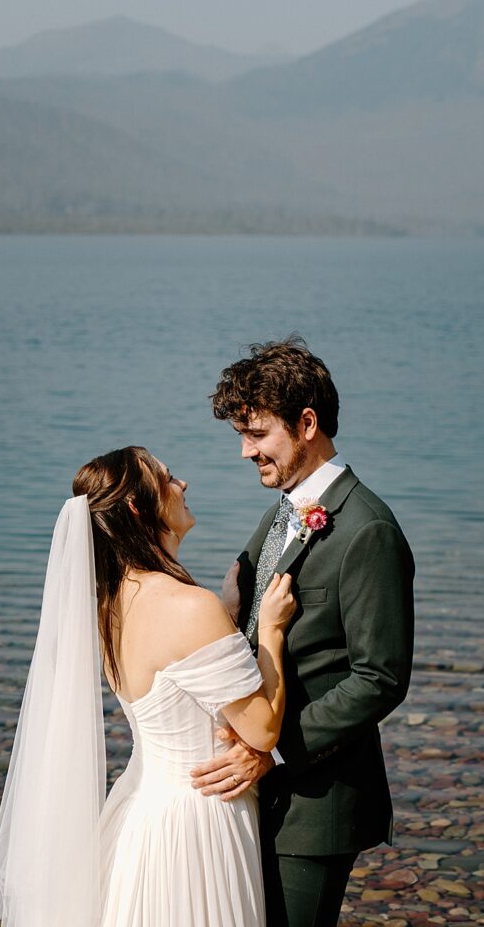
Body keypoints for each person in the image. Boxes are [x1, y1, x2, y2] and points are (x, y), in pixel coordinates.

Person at [0, 445, 296, 927]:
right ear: (137, 506)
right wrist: (272, 631)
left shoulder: (107, 606)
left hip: (140, 812)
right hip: (198, 822)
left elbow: (174, 676)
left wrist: (229, 618)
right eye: (167, 478)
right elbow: (262, 729)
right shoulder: (188, 606)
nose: (182, 485)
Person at [190, 338, 415, 927]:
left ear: (307, 424)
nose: (245, 451)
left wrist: (271, 750)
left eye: (257, 434)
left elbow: (380, 678)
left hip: (317, 806)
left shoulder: (368, 530)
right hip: (257, 792)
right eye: (242, 435)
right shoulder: (283, 510)